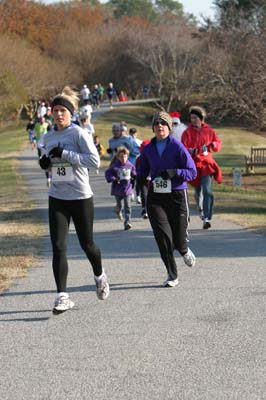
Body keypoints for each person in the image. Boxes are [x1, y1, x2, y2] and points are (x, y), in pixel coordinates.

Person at [38, 86, 109, 314]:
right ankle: (62, 295)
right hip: (57, 197)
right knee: (58, 247)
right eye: (55, 110)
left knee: (86, 244)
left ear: (71, 113)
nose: (59, 114)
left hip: (80, 196)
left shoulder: (79, 134)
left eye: (63, 111)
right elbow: (45, 159)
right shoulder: (47, 136)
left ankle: (99, 275)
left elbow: (94, 161)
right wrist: (45, 163)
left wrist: (66, 154)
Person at [138, 111, 197, 287]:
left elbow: (192, 172)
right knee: (163, 238)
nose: (160, 126)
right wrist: (139, 178)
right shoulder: (148, 149)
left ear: (169, 127)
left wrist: (174, 172)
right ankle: (172, 275)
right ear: (153, 128)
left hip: (177, 195)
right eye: (156, 124)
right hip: (156, 196)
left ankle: (184, 249)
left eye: (163, 123)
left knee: (178, 240)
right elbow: (142, 171)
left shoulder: (177, 146)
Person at [181, 106, 222, 229]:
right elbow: (182, 148)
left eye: (195, 117)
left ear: (201, 118)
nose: (193, 120)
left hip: (206, 164)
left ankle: (207, 217)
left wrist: (213, 144)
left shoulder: (209, 131)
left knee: (207, 190)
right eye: (191, 118)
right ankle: (201, 210)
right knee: (198, 191)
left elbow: (217, 143)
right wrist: (190, 150)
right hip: (194, 165)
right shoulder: (187, 132)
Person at [105, 147, 136, 230]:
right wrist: (113, 179)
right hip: (118, 189)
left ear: (127, 156)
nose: (123, 158)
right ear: (118, 157)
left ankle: (127, 222)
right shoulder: (115, 166)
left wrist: (135, 177)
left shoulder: (130, 165)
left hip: (127, 189)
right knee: (119, 205)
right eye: (121, 157)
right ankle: (118, 211)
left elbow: (134, 174)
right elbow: (108, 173)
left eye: (125, 156)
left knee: (128, 206)